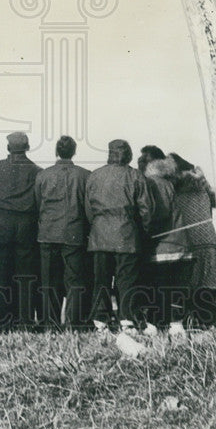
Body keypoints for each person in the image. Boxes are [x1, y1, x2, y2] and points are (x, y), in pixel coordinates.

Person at [85, 139, 153, 332]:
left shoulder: (95, 176)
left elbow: (88, 209)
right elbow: (146, 210)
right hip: (127, 235)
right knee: (127, 280)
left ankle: (100, 320)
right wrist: (143, 233)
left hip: (99, 234)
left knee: (101, 280)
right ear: (128, 155)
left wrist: (97, 225)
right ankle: (127, 320)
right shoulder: (135, 176)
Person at [34, 135, 90, 330]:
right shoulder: (84, 175)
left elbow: (38, 203)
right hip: (74, 233)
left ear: (56, 151)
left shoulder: (43, 175)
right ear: (74, 151)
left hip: (48, 233)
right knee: (74, 280)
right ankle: (74, 323)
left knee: (49, 281)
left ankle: (51, 323)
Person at [0, 132, 40, 331]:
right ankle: (25, 320)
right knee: (25, 273)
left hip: (1, 220)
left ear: (8, 148)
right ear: (27, 147)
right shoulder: (35, 170)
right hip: (26, 222)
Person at [167, 153, 216, 328]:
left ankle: (192, 321)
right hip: (209, 239)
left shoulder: (175, 187)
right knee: (208, 284)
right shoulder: (203, 187)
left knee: (189, 283)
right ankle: (208, 321)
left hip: (190, 240)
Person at [143, 153, 193, 331]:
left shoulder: (154, 183)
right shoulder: (170, 185)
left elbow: (157, 214)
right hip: (180, 244)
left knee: (157, 286)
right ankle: (176, 323)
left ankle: (154, 323)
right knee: (176, 288)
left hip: (163, 246)